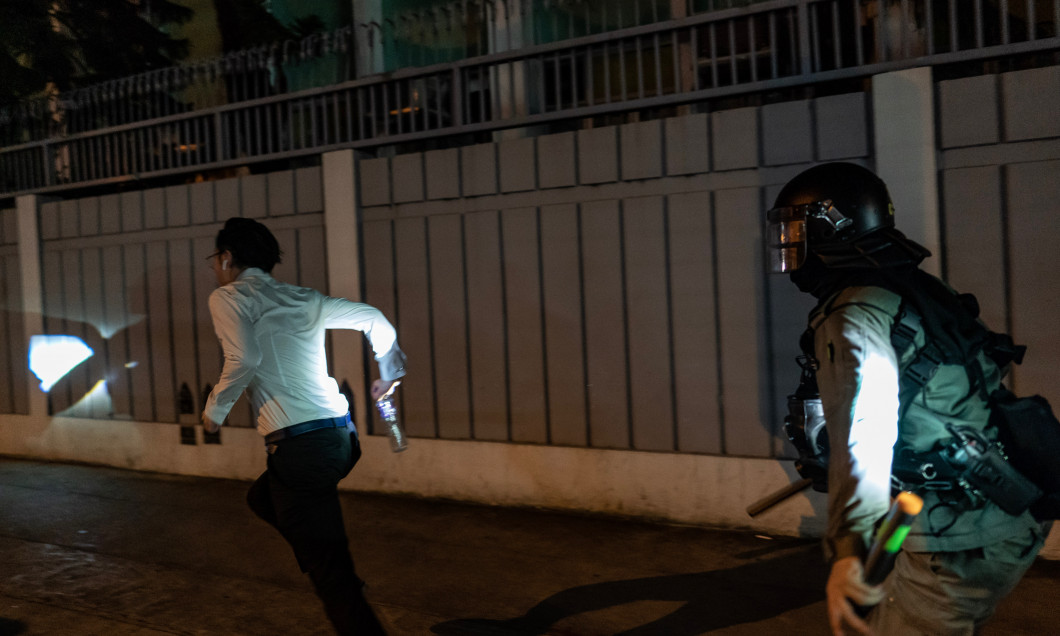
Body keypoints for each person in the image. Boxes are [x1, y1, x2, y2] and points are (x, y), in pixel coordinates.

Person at [766, 162, 1047, 635]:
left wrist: (849, 553)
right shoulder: (918, 290)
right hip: (1005, 512)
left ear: (829, 226)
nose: (790, 245)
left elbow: (865, 434)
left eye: (797, 229)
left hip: (955, 537)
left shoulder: (853, 312)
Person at [201, 217, 406, 635]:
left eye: (215, 260)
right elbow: (372, 318)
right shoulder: (301, 298)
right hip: (341, 441)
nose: (214, 268)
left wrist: (213, 413)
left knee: (331, 575)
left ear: (227, 258)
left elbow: (244, 359)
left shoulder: (228, 298)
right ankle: (329, 562)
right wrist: (389, 373)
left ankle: (338, 578)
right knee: (263, 499)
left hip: (302, 448)